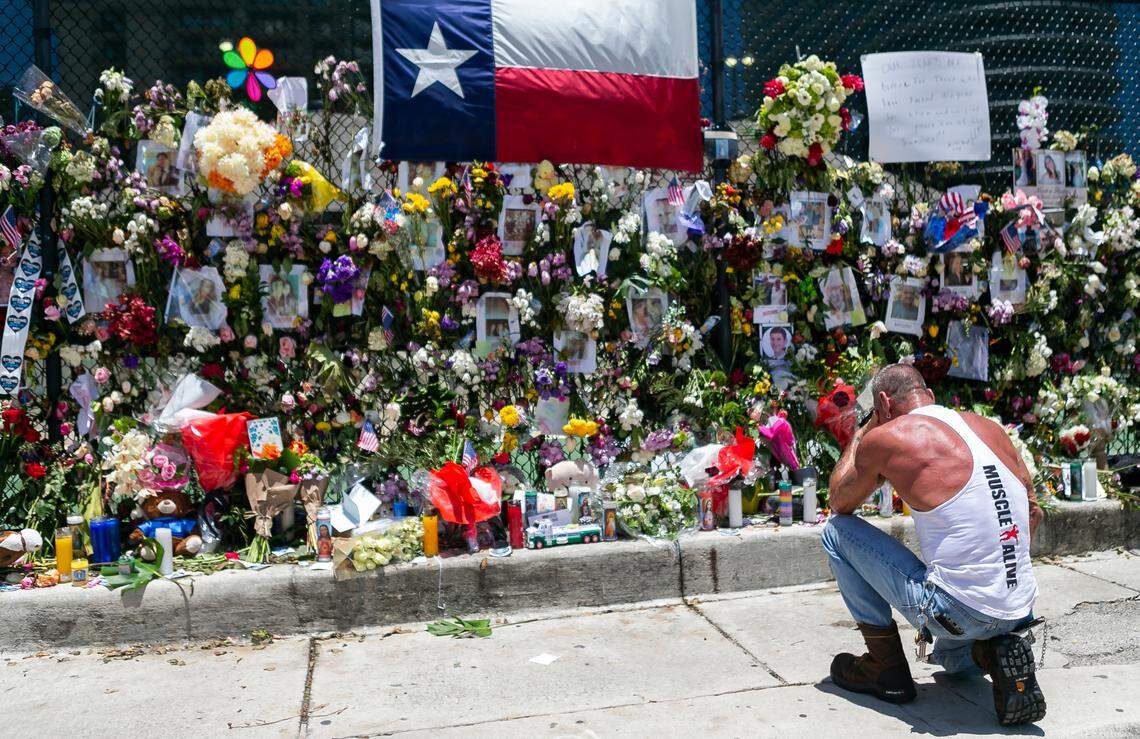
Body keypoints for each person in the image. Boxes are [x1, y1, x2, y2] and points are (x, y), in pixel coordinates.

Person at [822, 364, 1045, 726]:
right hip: (1019, 608)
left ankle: (885, 667)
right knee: (950, 662)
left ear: (883, 402)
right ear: (929, 394)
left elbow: (839, 500)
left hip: (959, 611)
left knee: (836, 531)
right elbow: (1033, 512)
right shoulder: (988, 427)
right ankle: (996, 648)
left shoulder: (889, 435)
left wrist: (864, 430)